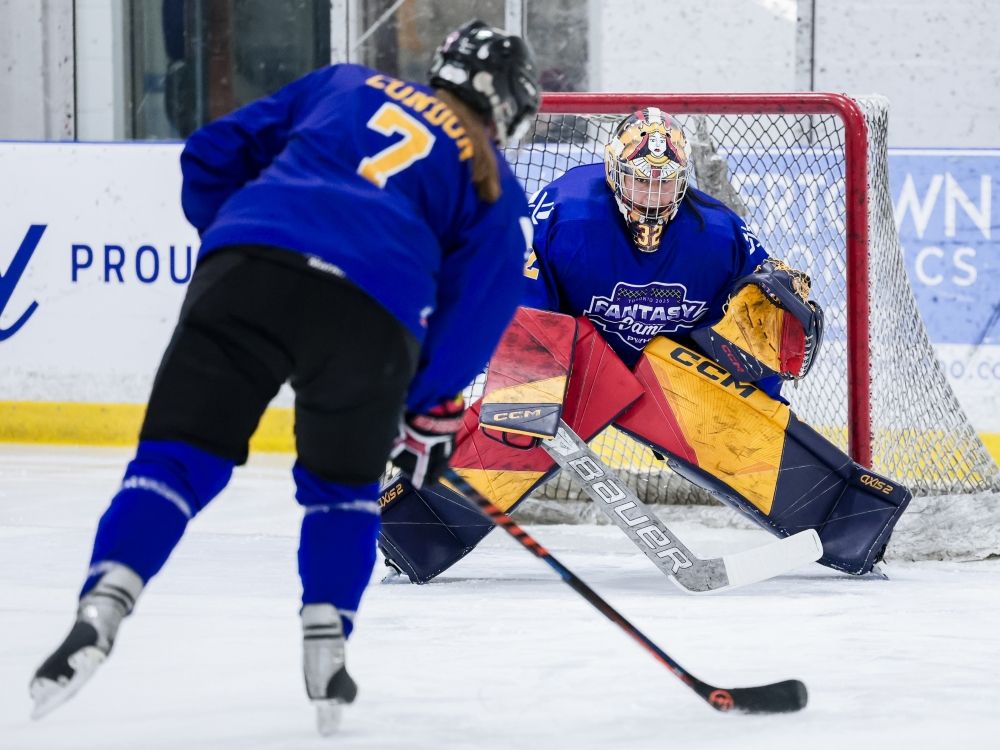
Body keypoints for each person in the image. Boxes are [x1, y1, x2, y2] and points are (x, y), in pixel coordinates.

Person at [29, 19, 539, 735]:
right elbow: (470, 323)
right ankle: (327, 644)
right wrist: (425, 407)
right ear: (510, 106)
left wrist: (241, 240)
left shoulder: (345, 82)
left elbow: (209, 156)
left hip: (246, 269)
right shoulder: (496, 185)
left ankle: (103, 602)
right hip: (372, 315)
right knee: (343, 490)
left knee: (175, 461)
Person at [523, 106, 795, 397]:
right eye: (641, 180)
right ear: (614, 172)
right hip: (578, 367)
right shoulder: (565, 213)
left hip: (675, 380)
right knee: (519, 424)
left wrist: (765, 394)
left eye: (664, 182)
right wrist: (527, 376)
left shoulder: (721, 234)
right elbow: (520, 292)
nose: (652, 196)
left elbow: (760, 318)